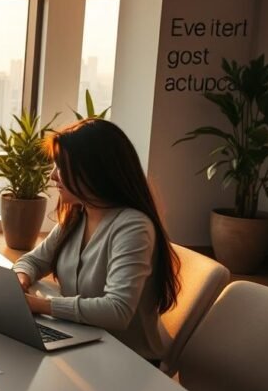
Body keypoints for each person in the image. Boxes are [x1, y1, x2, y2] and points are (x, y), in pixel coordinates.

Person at [12, 118, 180, 362]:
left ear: (93, 171)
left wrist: (38, 305)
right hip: (83, 342)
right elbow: (34, 260)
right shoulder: (78, 215)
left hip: (126, 362)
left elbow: (117, 311)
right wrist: (20, 280)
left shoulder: (133, 227)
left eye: (61, 167)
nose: (52, 176)